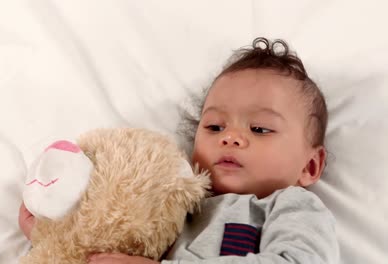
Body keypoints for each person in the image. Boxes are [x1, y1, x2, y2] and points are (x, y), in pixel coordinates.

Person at [20, 37, 340, 264]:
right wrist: (55, 236)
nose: (231, 138)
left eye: (259, 129)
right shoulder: (176, 210)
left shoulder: (290, 207)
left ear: (310, 166)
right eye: (215, 127)